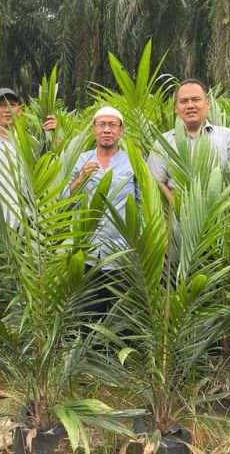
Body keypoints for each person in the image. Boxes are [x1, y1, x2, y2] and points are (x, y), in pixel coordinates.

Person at [0, 87, 56, 315]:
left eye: (13, 105)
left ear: (20, 110)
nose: (8, 110)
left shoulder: (29, 142)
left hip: (23, 225)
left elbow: (49, 168)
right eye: (2, 105)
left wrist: (53, 136)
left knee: (23, 286)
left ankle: (19, 338)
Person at [70, 106, 137, 315]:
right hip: (88, 252)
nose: (106, 130)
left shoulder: (133, 161)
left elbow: (143, 204)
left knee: (121, 320)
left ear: (121, 130)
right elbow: (65, 199)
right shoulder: (81, 160)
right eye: (102, 125)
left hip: (122, 252)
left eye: (112, 125)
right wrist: (80, 179)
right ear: (93, 130)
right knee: (89, 316)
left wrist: (140, 243)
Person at [147, 78, 230, 202]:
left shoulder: (227, 137)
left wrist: (218, 208)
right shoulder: (163, 142)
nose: (190, 106)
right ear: (175, 108)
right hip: (177, 218)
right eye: (183, 101)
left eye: (196, 100)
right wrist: (180, 210)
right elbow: (155, 183)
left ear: (208, 104)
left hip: (220, 217)